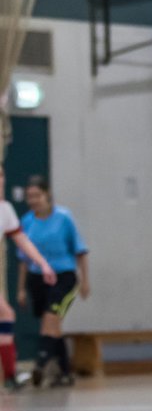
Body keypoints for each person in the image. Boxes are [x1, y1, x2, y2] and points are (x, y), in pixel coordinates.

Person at [16, 176, 89, 388]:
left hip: (63, 276)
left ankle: (39, 364)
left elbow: (80, 250)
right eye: (29, 197)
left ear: (47, 195)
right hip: (37, 277)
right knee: (52, 326)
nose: (33, 200)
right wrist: (21, 288)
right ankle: (64, 372)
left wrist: (85, 281)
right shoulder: (27, 221)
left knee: (50, 320)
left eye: (36, 195)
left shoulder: (64, 218)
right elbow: (23, 259)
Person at [0, 168, 57, 392]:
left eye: (2, 175)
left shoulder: (5, 210)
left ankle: (10, 376)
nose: (1, 180)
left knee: (6, 314)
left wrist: (42, 264)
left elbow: (22, 240)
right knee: (5, 314)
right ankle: (10, 376)